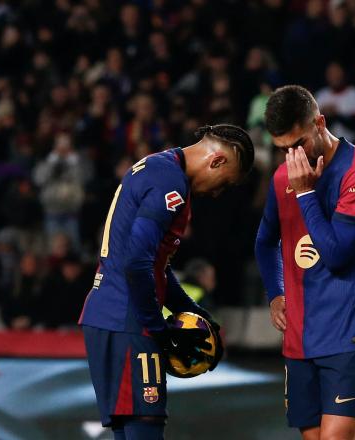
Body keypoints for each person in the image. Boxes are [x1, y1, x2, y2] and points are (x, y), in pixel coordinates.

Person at [79, 124, 254, 440]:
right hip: (128, 320)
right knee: (145, 428)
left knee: (129, 431)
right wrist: (156, 329)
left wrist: (195, 312)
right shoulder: (169, 182)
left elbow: (154, 264)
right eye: (224, 184)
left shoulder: (159, 166)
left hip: (108, 314)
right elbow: (137, 262)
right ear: (216, 161)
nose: (217, 193)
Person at [256, 85, 355, 440]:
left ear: (320, 122)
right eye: (282, 148)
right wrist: (276, 294)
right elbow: (264, 242)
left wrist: (305, 193)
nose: (291, 155)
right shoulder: (284, 176)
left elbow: (337, 255)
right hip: (300, 335)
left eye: (298, 143)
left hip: (349, 330)